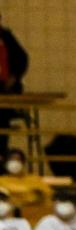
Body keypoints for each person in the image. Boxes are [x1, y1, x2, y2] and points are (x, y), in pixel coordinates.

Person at [0, 10, 29, 158]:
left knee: (2, 128)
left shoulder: (6, 38)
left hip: (5, 92)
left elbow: (22, 58)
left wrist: (14, 76)